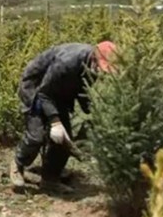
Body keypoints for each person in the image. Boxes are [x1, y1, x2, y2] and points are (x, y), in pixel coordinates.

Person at [9, 40, 117, 192]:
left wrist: (94, 113)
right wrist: (55, 122)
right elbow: (44, 93)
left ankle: (50, 179)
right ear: (94, 58)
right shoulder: (68, 62)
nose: (102, 72)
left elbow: (83, 91)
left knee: (63, 140)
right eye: (102, 67)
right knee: (36, 135)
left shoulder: (92, 68)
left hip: (57, 94)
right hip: (36, 89)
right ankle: (17, 164)